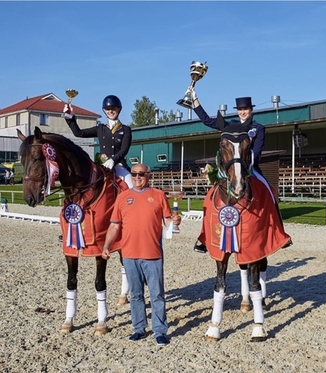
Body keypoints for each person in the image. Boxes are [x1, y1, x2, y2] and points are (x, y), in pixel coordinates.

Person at [190, 89, 285, 253]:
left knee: (270, 193)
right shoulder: (231, 125)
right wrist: (195, 101)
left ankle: (280, 233)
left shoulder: (258, 128)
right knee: (209, 198)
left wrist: (245, 165)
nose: (243, 112)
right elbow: (206, 120)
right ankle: (204, 239)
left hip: (250, 167)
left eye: (246, 109)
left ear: (251, 110)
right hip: (229, 170)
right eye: (240, 110)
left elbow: (257, 151)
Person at [102, 163, 180, 346]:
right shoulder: (123, 198)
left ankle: (160, 331)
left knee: (157, 295)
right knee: (136, 295)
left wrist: (175, 221)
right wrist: (107, 244)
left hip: (153, 254)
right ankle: (139, 328)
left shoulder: (159, 196)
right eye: (134, 174)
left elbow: (168, 220)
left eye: (141, 174)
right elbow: (114, 224)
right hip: (129, 255)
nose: (137, 177)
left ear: (149, 175)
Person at [63, 95, 133, 188]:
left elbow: (124, 149)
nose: (110, 111)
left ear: (118, 109)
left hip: (118, 165)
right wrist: (70, 118)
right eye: (108, 109)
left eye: (113, 108)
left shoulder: (125, 129)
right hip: (101, 166)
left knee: (131, 186)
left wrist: (113, 160)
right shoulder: (100, 129)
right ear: (105, 111)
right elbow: (79, 133)